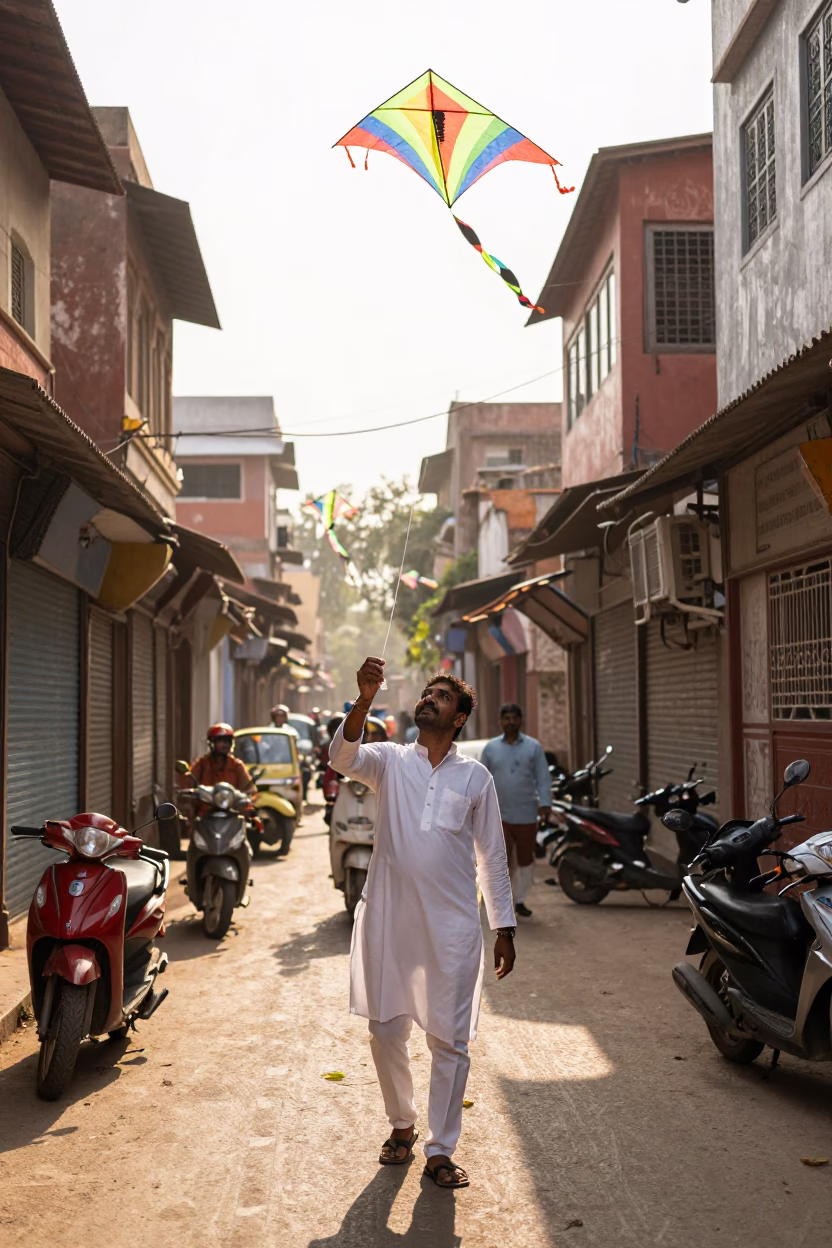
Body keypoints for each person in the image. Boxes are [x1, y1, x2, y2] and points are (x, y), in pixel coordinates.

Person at [329, 656, 516, 1191]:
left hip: (453, 928)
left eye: (442, 696)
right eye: (427, 692)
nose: (430, 698)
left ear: (458, 719)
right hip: (390, 921)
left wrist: (503, 925)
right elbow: (341, 757)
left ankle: (440, 1149)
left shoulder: (476, 777)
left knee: (449, 1041)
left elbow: (493, 857)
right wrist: (362, 698)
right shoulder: (389, 760)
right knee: (385, 1029)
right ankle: (402, 1124)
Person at [481, 703, 552, 918]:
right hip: (498, 814)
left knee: (525, 859)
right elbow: (481, 779)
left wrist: (546, 803)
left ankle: (520, 900)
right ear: (500, 722)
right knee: (500, 859)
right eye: (506, 718)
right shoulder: (491, 749)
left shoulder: (533, 747)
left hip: (526, 813)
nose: (510, 722)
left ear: (520, 721)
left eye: (514, 718)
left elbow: (543, 777)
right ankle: (501, 902)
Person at [189, 723, 256, 793]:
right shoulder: (201, 764)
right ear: (212, 742)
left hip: (231, 803)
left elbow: (249, 789)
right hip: (205, 803)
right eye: (221, 740)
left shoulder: (236, 765)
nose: (225, 744)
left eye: (228, 741)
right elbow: (187, 787)